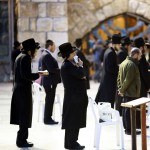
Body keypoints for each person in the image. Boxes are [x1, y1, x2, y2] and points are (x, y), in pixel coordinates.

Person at [10, 38, 41, 148]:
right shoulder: (25, 58)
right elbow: (26, 75)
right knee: (24, 116)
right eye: (34, 50)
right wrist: (38, 75)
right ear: (30, 50)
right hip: (23, 91)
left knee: (24, 115)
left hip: (20, 90)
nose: (35, 52)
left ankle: (23, 139)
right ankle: (21, 141)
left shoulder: (20, 56)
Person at [58, 42, 88, 150]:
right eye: (73, 52)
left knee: (73, 121)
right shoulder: (67, 66)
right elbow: (82, 74)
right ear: (69, 54)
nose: (75, 53)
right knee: (73, 122)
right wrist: (80, 66)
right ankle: (72, 143)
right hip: (74, 98)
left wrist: (80, 71)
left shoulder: (69, 64)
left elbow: (81, 76)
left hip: (74, 97)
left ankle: (69, 143)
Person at [117, 47, 142, 135]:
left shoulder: (124, 62)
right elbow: (128, 80)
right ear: (135, 54)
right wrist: (122, 89)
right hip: (131, 92)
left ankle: (127, 128)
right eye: (140, 55)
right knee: (129, 112)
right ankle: (129, 130)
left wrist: (120, 89)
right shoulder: (132, 65)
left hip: (126, 92)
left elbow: (119, 78)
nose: (141, 57)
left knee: (125, 110)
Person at [95, 34, 121, 108]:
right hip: (109, 84)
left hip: (106, 82)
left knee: (106, 104)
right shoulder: (111, 53)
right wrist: (119, 68)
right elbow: (110, 68)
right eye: (119, 44)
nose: (120, 46)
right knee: (108, 104)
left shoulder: (108, 51)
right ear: (115, 44)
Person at [40, 39, 61, 125]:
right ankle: (47, 119)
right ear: (50, 46)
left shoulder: (44, 54)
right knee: (49, 100)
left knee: (49, 100)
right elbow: (51, 69)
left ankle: (48, 118)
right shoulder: (46, 55)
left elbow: (43, 70)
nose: (55, 48)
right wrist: (61, 70)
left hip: (48, 81)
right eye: (54, 46)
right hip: (50, 82)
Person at [115, 36, 131, 116]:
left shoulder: (122, 52)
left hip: (122, 79)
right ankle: (119, 114)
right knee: (120, 99)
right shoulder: (122, 53)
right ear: (127, 45)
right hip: (122, 80)